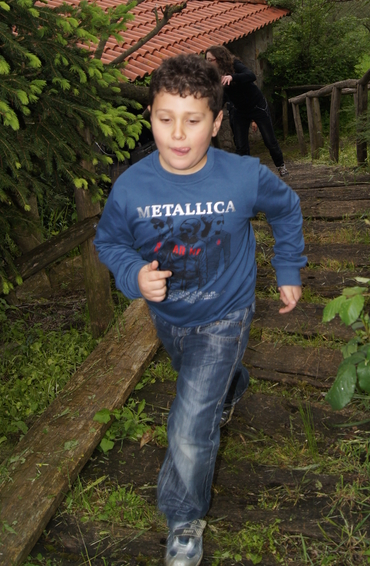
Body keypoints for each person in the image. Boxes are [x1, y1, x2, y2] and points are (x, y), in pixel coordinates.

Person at [94, 54, 305, 566]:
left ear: (216, 121)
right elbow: (112, 243)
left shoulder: (244, 176)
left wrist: (289, 268)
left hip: (226, 314)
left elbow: (287, 209)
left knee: (190, 422)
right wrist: (133, 276)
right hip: (170, 318)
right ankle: (233, 384)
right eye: (165, 119)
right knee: (199, 380)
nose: (178, 134)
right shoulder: (131, 186)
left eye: (193, 120)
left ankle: (184, 517)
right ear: (151, 117)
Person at [204, 45, 288, 177]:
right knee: (241, 146)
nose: (207, 63)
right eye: (206, 60)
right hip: (239, 110)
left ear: (219, 59)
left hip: (256, 106)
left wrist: (233, 77)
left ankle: (281, 166)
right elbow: (222, 96)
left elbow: (251, 75)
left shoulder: (234, 64)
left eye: (210, 60)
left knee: (269, 141)